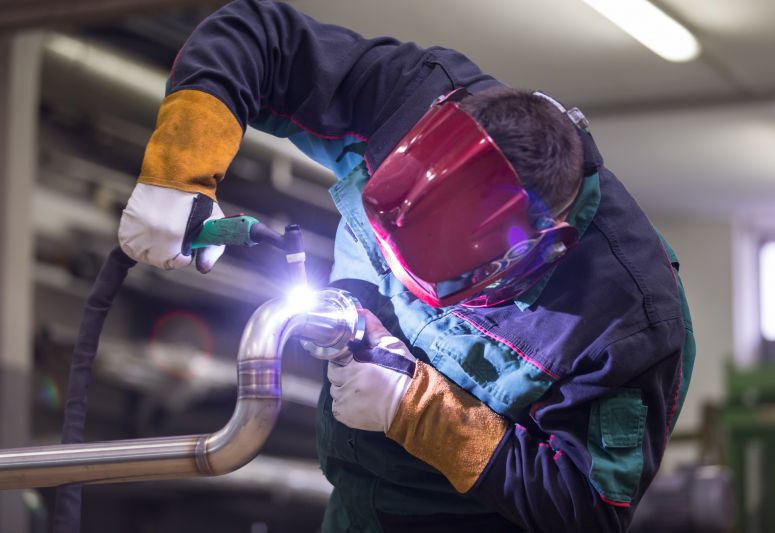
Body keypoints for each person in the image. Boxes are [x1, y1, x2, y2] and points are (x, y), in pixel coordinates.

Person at [118, 1, 695, 531]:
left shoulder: (626, 321)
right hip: (354, 507)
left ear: (536, 251)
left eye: (432, 280)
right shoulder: (407, 101)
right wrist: (180, 169)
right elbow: (252, 33)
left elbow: (588, 510)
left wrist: (417, 411)